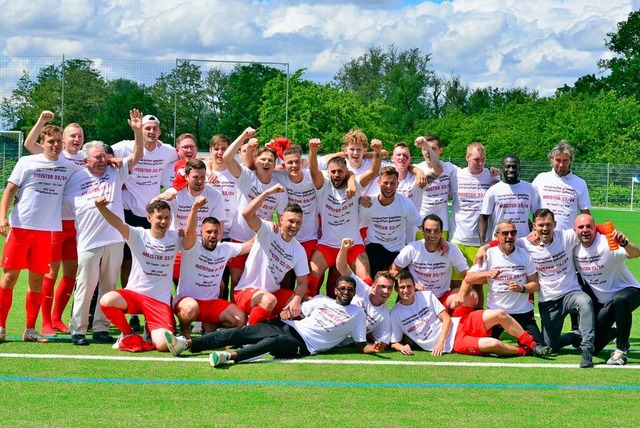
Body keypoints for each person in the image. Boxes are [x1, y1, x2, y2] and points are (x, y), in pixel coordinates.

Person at [164, 275, 384, 367]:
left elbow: (359, 344)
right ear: (336, 290)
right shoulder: (321, 300)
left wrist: (373, 349)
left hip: (304, 345)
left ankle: (228, 357)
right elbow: (298, 311)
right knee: (243, 332)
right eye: (343, 288)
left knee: (270, 344)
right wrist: (288, 313)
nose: (346, 292)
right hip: (289, 326)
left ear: (354, 293)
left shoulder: (357, 314)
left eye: (350, 290)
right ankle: (186, 343)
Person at [64, 110, 145, 345]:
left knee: (109, 286)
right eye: (96, 157)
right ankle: (78, 330)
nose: (101, 160)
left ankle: (101, 327)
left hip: (114, 239)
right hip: (89, 240)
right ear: (85, 160)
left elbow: (138, 154)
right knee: (86, 286)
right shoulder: (76, 178)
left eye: (103, 157)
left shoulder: (115, 171)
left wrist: (137, 131)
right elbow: (64, 203)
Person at [476, 209, 596, 368]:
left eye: (548, 224)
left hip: (570, 292)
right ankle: (574, 337)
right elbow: (503, 240)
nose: (545, 228)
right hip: (548, 300)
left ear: (555, 224)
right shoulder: (525, 243)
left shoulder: (566, 236)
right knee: (549, 345)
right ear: (534, 226)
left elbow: (591, 228)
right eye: (541, 225)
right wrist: (483, 248)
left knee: (585, 302)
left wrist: (611, 232)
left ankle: (587, 349)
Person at [0, 121, 80, 342]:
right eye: (50, 142)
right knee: (8, 278)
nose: (54, 145)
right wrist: (2, 218)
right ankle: (0, 327)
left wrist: (111, 160)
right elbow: (9, 191)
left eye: (58, 142)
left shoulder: (69, 165)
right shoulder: (27, 161)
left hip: (46, 232)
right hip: (20, 228)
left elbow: (91, 165)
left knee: (37, 281)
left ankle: (30, 330)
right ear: (42, 143)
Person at [111, 114, 179, 332]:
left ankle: (157, 306)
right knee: (127, 263)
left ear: (159, 132)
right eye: (147, 128)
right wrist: (111, 159)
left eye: (154, 129)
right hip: (129, 211)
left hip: (151, 213)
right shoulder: (124, 146)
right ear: (141, 130)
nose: (151, 132)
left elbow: (188, 155)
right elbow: (102, 153)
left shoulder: (167, 150)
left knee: (155, 261)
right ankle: (130, 309)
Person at [23, 111, 86, 336]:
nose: (76, 140)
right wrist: (41, 121)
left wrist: (111, 160)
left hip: (76, 225)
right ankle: (45, 321)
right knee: (51, 273)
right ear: (63, 139)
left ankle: (58, 318)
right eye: (72, 136)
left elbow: (102, 161)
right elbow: (29, 144)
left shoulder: (85, 159)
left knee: (71, 274)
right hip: (54, 224)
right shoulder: (55, 154)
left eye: (80, 136)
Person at [390, 270, 551, 357]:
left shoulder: (425, 295)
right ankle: (525, 351)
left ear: (413, 286)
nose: (406, 290)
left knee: (500, 314)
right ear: (397, 289)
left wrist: (439, 342)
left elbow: (446, 319)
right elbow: (394, 341)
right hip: (455, 344)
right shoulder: (395, 313)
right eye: (402, 287)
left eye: (409, 286)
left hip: (458, 323)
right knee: (494, 344)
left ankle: (532, 345)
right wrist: (401, 347)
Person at [96, 197, 186, 352]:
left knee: (164, 345)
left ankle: (154, 330)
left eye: (166, 218)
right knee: (107, 300)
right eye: (159, 217)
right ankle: (127, 334)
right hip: (135, 296)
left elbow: (192, 236)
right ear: (149, 218)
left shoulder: (176, 237)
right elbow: (118, 223)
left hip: (159, 301)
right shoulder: (138, 235)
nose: (163, 222)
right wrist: (101, 208)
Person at [306, 137, 382, 297]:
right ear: (328, 173)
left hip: (353, 245)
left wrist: (376, 152)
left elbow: (373, 171)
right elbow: (313, 171)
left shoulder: (355, 187)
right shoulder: (323, 186)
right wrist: (312, 151)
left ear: (346, 172)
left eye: (340, 171)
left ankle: (367, 316)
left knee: (366, 282)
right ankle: (305, 313)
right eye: (333, 171)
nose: (336, 175)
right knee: (311, 278)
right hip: (327, 244)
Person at [453, 220, 546, 346]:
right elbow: (469, 278)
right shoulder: (489, 255)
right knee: (481, 344)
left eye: (513, 233)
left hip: (522, 313)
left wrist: (522, 288)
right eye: (505, 233)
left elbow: (535, 284)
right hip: (496, 313)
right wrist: (486, 274)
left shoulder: (524, 254)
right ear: (496, 236)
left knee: (538, 346)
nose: (509, 237)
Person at [174, 197, 252, 338]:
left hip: (211, 303)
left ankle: (210, 327)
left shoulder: (225, 248)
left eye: (216, 232)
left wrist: (266, 228)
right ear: (201, 233)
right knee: (190, 308)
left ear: (220, 233)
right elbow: (189, 232)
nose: (212, 235)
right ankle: (184, 330)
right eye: (209, 232)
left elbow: (250, 245)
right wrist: (195, 208)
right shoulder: (192, 247)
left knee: (240, 319)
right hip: (187, 301)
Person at [223, 128, 288, 295]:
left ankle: (253, 319)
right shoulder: (247, 176)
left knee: (259, 282)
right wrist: (244, 136)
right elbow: (227, 158)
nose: (266, 163)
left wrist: (276, 227)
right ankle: (236, 320)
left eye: (270, 160)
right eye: (263, 159)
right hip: (239, 237)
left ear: (275, 165)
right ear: (256, 161)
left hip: (260, 240)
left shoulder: (279, 188)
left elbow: (282, 218)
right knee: (236, 281)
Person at [233, 184, 309, 325]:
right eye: (291, 221)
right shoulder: (268, 230)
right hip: (246, 292)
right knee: (269, 300)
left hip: (273, 292)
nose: (294, 225)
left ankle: (271, 321)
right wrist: (267, 193)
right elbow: (246, 214)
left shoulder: (298, 250)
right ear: (281, 220)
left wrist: (297, 299)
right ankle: (247, 335)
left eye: (298, 222)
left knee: (306, 305)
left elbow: (303, 282)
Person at [573, 214, 640, 366]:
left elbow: (635, 253)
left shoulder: (607, 243)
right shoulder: (574, 248)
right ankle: (615, 332)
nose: (585, 230)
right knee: (594, 347)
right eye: (581, 227)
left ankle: (622, 350)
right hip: (606, 303)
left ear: (595, 228)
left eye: (589, 226)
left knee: (620, 299)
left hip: (630, 292)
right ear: (575, 230)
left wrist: (625, 243)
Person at [449, 142, 499, 301]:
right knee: (456, 284)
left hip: (480, 242)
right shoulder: (456, 175)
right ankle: (456, 321)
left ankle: (478, 322)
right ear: (467, 157)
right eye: (477, 159)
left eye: (483, 160)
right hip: (458, 238)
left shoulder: (491, 176)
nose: (480, 163)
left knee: (477, 284)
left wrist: (497, 177)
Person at [391, 214, 469, 306]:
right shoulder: (412, 248)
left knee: (470, 295)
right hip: (416, 295)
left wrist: (461, 294)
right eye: (428, 231)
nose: (432, 234)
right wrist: (411, 285)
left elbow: (468, 275)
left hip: (441, 296)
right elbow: (393, 270)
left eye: (436, 231)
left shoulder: (451, 249)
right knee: (406, 291)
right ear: (422, 231)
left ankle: (453, 318)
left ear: (441, 232)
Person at [360, 166, 422, 278]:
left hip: (397, 249)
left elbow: (422, 225)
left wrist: (441, 241)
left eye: (392, 183)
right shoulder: (369, 202)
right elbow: (353, 224)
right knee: (368, 281)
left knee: (406, 283)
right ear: (378, 182)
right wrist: (358, 199)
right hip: (374, 246)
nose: (389, 187)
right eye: (386, 183)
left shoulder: (405, 203)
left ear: (397, 184)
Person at [336, 238, 392, 348]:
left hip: (345, 343)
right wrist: (344, 248)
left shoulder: (384, 315)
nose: (386, 291)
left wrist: (377, 346)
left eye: (390, 288)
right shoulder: (362, 288)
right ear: (373, 286)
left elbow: (383, 342)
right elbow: (341, 267)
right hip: (331, 325)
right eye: (382, 287)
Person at [479, 154, 541, 244]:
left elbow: (538, 214)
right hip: (500, 243)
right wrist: (482, 242)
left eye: (514, 167)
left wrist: (535, 230)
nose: (511, 170)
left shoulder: (530, 188)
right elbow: (483, 217)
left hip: (525, 241)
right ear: (501, 169)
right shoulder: (493, 190)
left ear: (520, 168)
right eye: (507, 166)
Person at [533, 141, 591, 231]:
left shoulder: (580, 183)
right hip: (543, 236)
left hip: (568, 238)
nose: (561, 164)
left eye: (565, 161)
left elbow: (585, 213)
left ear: (570, 160)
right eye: (558, 160)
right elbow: (529, 207)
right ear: (551, 159)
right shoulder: (540, 179)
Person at [414, 134, 453, 239]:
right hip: (421, 226)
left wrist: (491, 172)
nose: (427, 152)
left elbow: (471, 172)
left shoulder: (449, 168)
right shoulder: (416, 169)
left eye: (432, 149)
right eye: (424, 149)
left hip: (442, 226)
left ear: (440, 150)